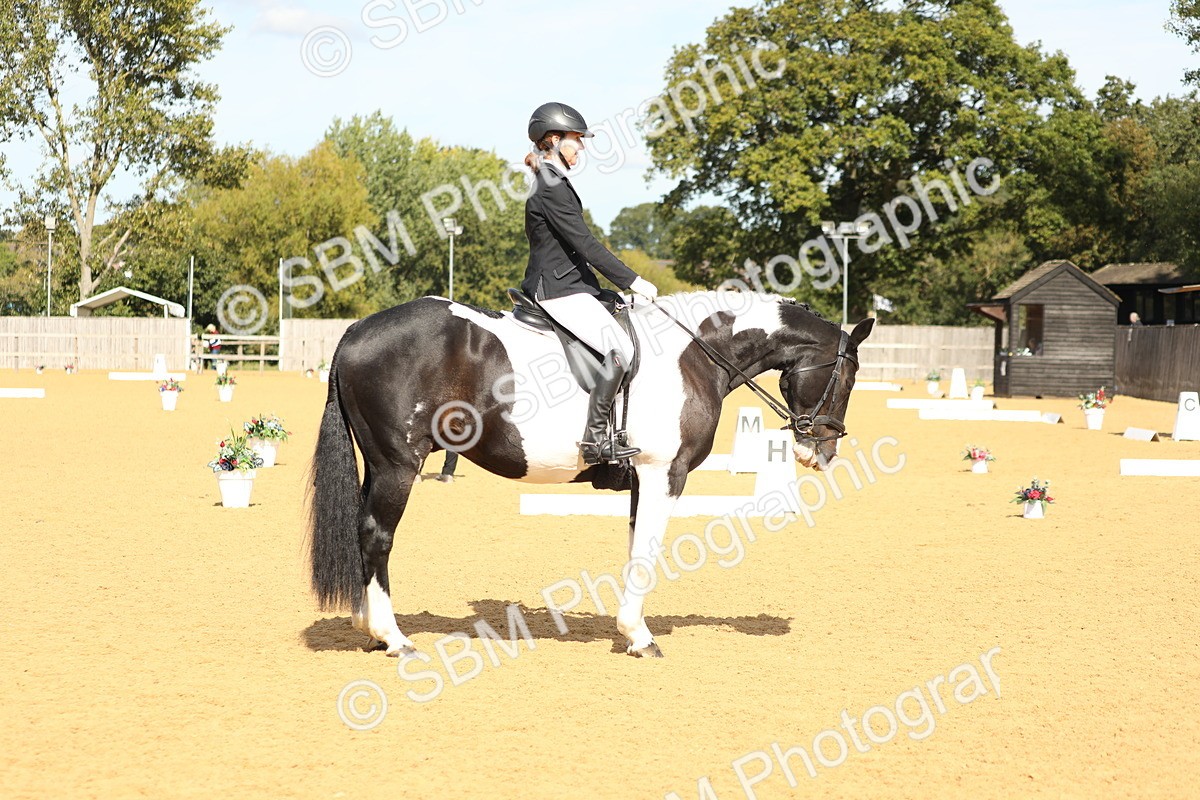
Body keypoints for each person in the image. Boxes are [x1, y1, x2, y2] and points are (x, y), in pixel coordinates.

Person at [521, 102, 659, 465]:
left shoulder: (553, 179)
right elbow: (584, 243)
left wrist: (603, 290)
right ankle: (595, 439)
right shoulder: (551, 185)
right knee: (620, 350)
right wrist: (634, 280)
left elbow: (575, 249)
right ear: (554, 139)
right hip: (556, 288)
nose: (581, 147)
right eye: (576, 140)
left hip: (571, 284)